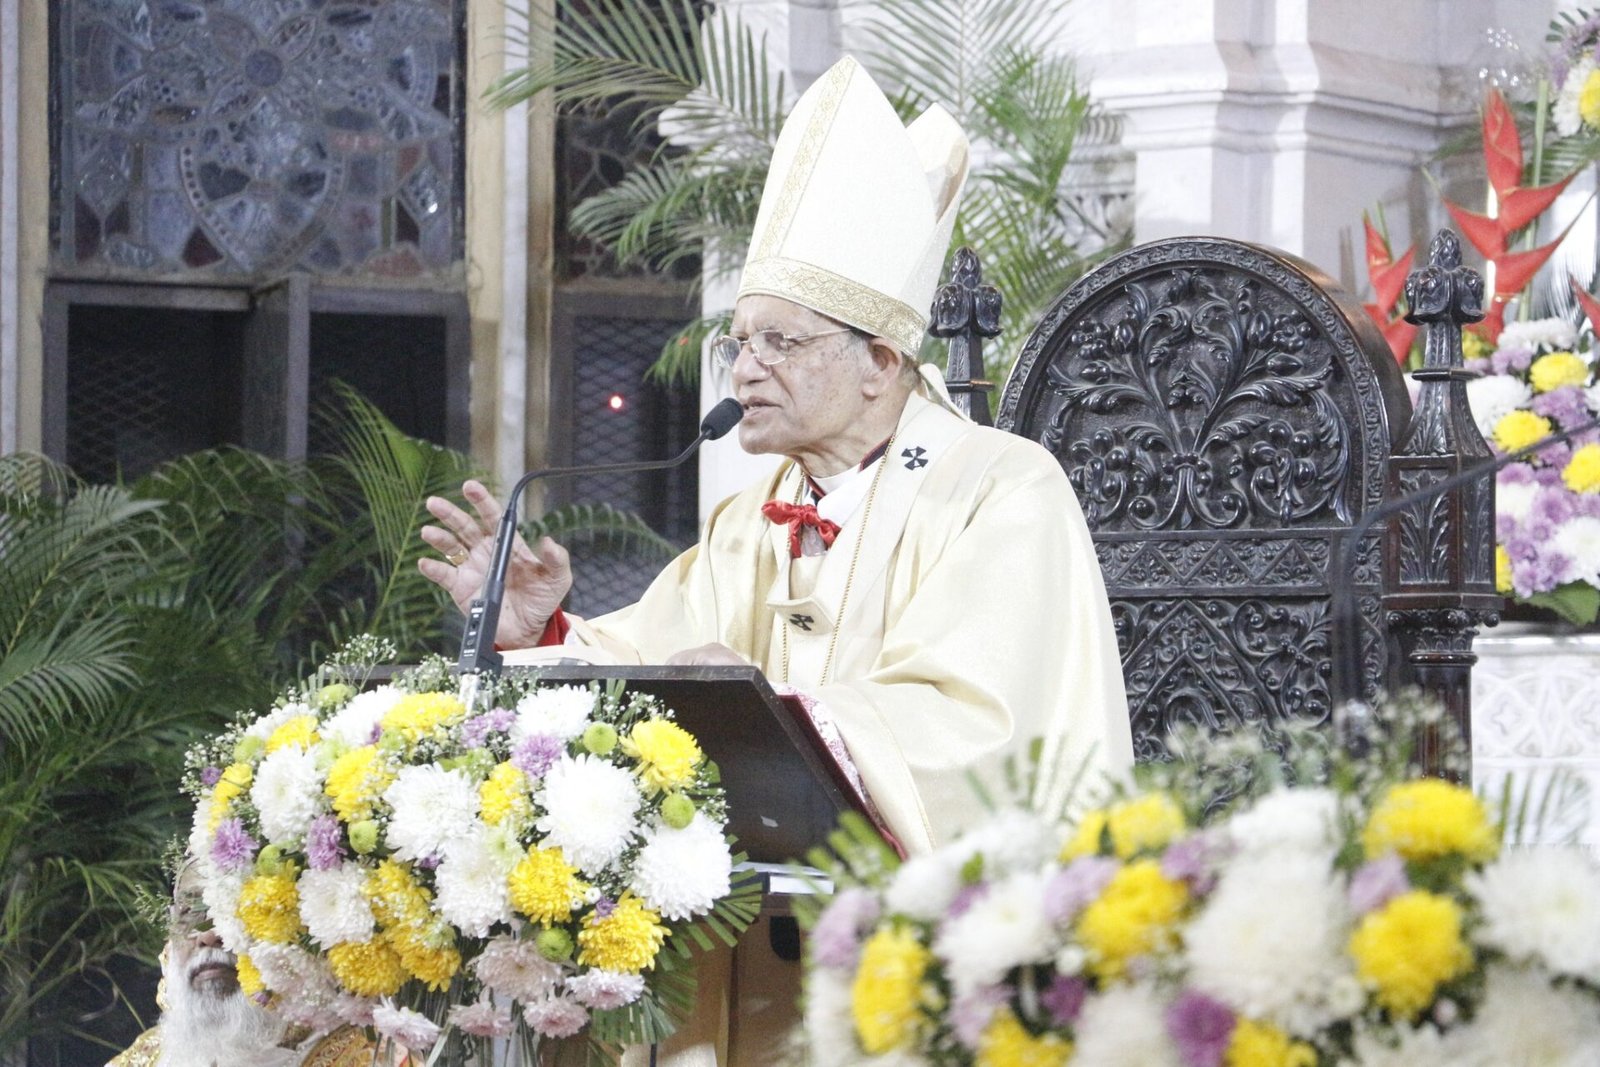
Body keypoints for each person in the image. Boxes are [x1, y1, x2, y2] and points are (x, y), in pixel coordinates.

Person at [420, 55, 1133, 1064]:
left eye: (781, 342)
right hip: (738, 954)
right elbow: (666, 672)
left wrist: (779, 713)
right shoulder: (757, 513)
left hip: (914, 973)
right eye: (741, 340)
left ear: (881, 360)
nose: (743, 367)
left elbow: (990, 737)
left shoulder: (1000, 487)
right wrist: (546, 628)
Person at [108, 865, 389, 1067]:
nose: (208, 935)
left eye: (238, 912)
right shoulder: (141, 1061)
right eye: (189, 914)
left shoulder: (378, 1055)